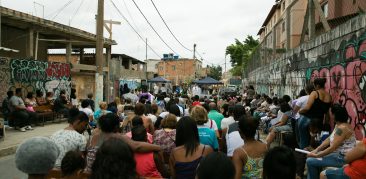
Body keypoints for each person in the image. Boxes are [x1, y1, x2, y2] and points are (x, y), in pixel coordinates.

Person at [86, 113, 161, 171]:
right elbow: (137, 146)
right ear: (116, 126)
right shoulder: (117, 136)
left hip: (91, 173)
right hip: (106, 174)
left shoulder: (92, 137)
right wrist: (158, 147)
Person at [306, 104, 356, 179]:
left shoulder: (342, 128)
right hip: (337, 155)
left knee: (310, 161)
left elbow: (332, 148)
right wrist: (317, 150)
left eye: (331, 113)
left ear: (334, 115)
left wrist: (317, 155)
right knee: (311, 159)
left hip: (342, 159)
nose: (330, 115)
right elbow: (329, 139)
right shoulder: (339, 125)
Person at [299, 78, 332, 149]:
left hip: (309, 118)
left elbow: (307, 108)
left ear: (317, 85)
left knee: (303, 138)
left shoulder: (314, 93)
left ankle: (302, 151)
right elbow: (327, 112)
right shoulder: (329, 96)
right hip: (319, 120)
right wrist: (326, 123)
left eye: (314, 85)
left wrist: (300, 111)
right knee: (314, 138)